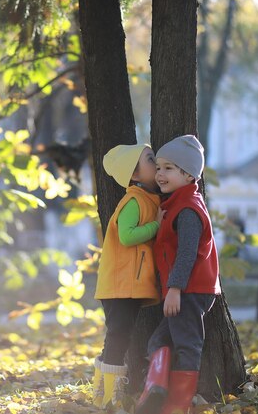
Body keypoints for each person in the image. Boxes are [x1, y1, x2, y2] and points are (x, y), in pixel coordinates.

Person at [135, 135, 221, 414]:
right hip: (184, 289)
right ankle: (156, 391)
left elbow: (186, 254)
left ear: (188, 174)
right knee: (158, 341)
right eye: (158, 167)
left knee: (187, 345)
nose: (160, 174)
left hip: (190, 290)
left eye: (169, 168)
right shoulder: (177, 204)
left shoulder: (187, 210)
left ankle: (176, 406)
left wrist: (174, 289)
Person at [92, 143, 165, 410]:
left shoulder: (149, 198)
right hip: (120, 285)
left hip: (125, 285)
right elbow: (127, 236)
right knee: (119, 337)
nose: (156, 161)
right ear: (135, 175)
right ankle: (109, 400)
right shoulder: (134, 201)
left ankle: (101, 396)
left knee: (117, 336)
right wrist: (157, 225)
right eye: (150, 159)